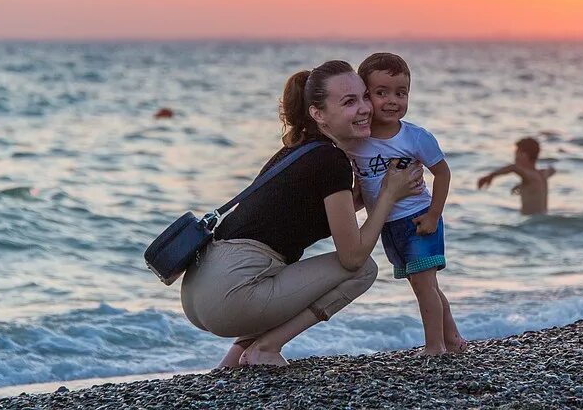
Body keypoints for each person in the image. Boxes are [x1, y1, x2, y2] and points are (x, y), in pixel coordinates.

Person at [179, 61, 425, 368]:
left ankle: (235, 357)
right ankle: (265, 348)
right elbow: (352, 258)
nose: (365, 108)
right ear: (318, 114)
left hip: (198, 289)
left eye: (364, 97)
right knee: (364, 270)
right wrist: (389, 193)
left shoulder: (299, 151)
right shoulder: (330, 160)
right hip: (232, 292)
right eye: (349, 102)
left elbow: (293, 219)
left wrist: (366, 198)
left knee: (288, 278)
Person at [343, 53, 466, 356]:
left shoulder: (415, 137)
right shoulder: (358, 140)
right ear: (366, 96)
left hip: (417, 219)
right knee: (426, 286)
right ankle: (453, 339)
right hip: (387, 223)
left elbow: (442, 172)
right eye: (381, 93)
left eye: (401, 93)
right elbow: (362, 187)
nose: (392, 100)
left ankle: (435, 347)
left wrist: (434, 215)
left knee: (425, 287)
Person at [477, 138, 555, 215]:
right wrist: (522, 184)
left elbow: (513, 168)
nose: (515, 158)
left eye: (516, 153)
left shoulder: (531, 176)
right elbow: (552, 170)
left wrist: (491, 176)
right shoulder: (542, 175)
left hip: (531, 223)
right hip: (540, 220)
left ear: (524, 155)